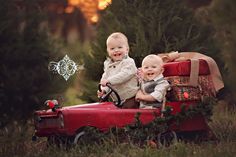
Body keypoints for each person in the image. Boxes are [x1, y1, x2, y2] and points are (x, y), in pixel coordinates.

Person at [98, 32, 139, 108]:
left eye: (120, 47)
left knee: (126, 113)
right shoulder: (108, 65)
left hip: (130, 97)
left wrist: (109, 81)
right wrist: (103, 90)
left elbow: (124, 75)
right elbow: (105, 79)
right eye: (112, 48)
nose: (116, 50)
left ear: (127, 49)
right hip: (117, 100)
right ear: (108, 51)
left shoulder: (129, 62)